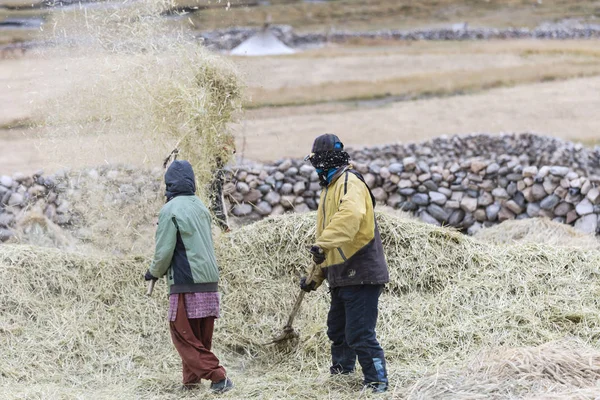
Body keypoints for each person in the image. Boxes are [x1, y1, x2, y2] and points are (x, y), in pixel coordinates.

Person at [300, 134, 390, 393]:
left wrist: (322, 245)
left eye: (317, 162)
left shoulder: (350, 182)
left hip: (361, 271)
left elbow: (348, 219)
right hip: (340, 275)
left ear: (327, 160)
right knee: (337, 330)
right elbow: (325, 245)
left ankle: (377, 382)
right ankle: (342, 374)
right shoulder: (329, 188)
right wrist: (313, 278)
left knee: (359, 333)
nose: (316, 168)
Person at [144, 160, 233, 394]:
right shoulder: (201, 207)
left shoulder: (170, 210)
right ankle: (191, 384)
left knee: (182, 335)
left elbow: (164, 251)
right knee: (199, 337)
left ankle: (218, 376)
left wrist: (153, 272)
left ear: (169, 185)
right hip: (210, 283)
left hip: (186, 282)